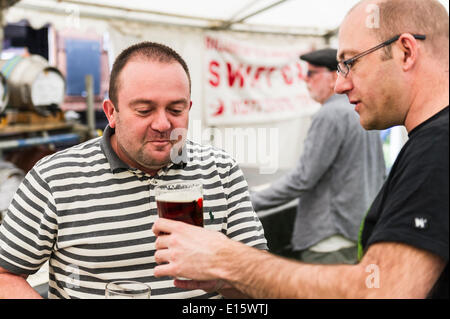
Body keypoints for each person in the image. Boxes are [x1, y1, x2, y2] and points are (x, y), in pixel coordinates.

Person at [152, 0, 448, 298]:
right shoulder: (423, 140)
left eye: (350, 62)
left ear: (406, 52)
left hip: (328, 236)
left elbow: (381, 291)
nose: (340, 85)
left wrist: (225, 258)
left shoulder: (436, 147)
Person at [0, 41, 267, 299]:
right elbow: (5, 275)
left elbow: (261, 281)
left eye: (176, 109)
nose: (163, 124)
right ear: (111, 112)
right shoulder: (55, 177)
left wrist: (223, 276)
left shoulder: (221, 170)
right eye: (144, 110)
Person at [250, 48, 385, 265]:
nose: (305, 80)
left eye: (312, 73)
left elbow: (303, 178)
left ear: (334, 76)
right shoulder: (359, 111)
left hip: (329, 239)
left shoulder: (329, 115)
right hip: (356, 232)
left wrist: (250, 201)